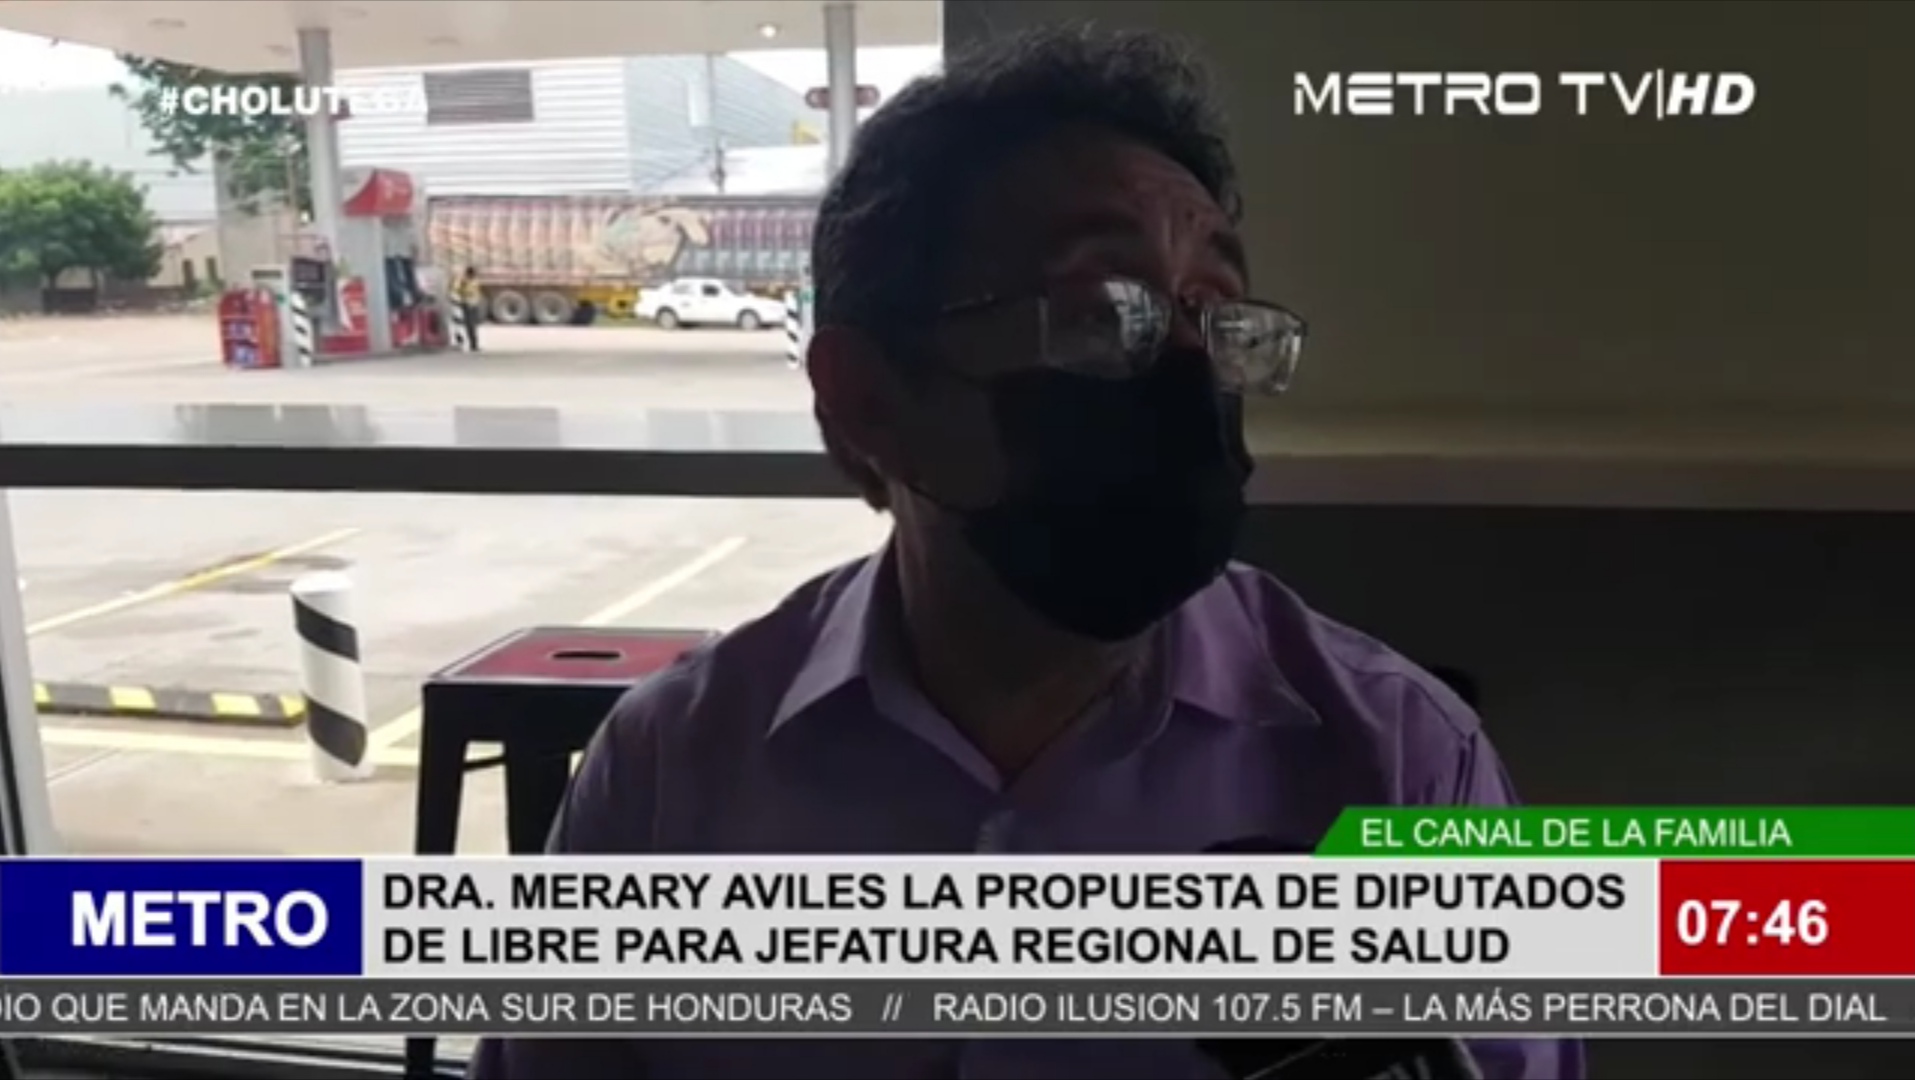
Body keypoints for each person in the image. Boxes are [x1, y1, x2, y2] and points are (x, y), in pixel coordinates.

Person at [471, 26, 1581, 1080]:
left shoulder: (1402, 762)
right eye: (1101, 310)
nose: (1187, 366)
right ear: (868, 399)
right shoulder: (669, 774)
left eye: (1214, 309)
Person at [454, 266, 483, 351]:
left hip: (473, 305)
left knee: (473, 326)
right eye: (472, 274)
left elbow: (477, 292)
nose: (474, 275)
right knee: (470, 326)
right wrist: (459, 300)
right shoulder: (464, 281)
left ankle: (474, 344)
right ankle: (473, 345)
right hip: (467, 305)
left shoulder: (475, 281)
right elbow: (457, 291)